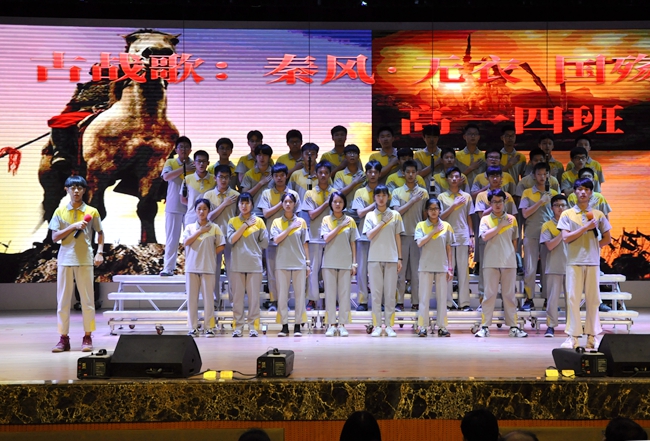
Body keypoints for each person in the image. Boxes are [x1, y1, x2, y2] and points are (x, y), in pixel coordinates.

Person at [50, 175, 104, 352]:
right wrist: (73, 226)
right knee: (63, 301)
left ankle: (87, 336)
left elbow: (100, 233)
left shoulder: (92, 211)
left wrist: (100, 252)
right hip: (65, 259)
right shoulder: (59, 211)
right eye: (72, 188)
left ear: (84, 190)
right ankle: (63, 338)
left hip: (85, 259)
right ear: (66, 190)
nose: (76, 191)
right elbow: (55, 237)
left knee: (87, 300)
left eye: (79, 188)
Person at [558, 178, 611, 349]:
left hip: (593, 262)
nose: (583, 192)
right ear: (574, 192)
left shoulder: (598, 214)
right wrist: (585, 228)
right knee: (573, 298)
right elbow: (566, 238)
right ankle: (572, 337)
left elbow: (607, 239)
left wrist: (593, 247)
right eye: (580, 189)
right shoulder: (567, 214)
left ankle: (592, 336)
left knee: (593, 299)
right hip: (574, 261)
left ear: (591, 193)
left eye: (586, 189)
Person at [476, 189, 527, 338]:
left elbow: (515, 240)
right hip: (490, 261)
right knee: (489, 295)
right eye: (494, 202)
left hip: (509, 262)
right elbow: (484, 237)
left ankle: (513, 327)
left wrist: (512, 255)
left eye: (500, 201)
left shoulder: (512, 219)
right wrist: (500, 226)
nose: (497, 204)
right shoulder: (485, 219)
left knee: (509, 295)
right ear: (490, 203)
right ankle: (485, 326)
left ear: (504, 202)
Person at [257, 163, 302, 311]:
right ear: (272, 177)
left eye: (282, 175)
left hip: (290, 239)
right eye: (276, 175)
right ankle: (274, 300)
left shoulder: (294, 194)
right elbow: (266, 214)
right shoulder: (266, 193)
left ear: (286, 176)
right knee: (272, 272)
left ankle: (285, 301)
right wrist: (282, 203)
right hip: (272, 238)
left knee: (287, 272)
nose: (279, 178)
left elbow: (297, 215)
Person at [364, 184, 404, 337]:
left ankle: (389, 325)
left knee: (390, 294)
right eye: (378, 195)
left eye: (384, 195)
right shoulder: (370, 215)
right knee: (376, 294)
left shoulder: (395, 215)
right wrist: (382, 222)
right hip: (374, 258)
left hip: (391, 258)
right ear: (374, 197)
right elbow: (369, 235)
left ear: (388, 197)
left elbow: (397, 237)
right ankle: (376, 326)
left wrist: (399, 258)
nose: (381, 198)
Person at [227, 192, 269, 337]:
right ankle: (238, 327)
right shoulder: (232, 221)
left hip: (254, 264)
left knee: (254, 299)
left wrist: (254, 250)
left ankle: (253, 327)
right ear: (238, 205)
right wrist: (245, 225)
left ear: (252, 205)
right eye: (242, 203)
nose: (244, 206)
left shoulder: (259, 221)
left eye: (247, 203)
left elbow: (265, 242)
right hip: (237, 265)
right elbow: (231, 240)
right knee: (237, 298)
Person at [519, 162, 559, 311]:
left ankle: (548, 299)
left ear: (548, 175)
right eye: (539, 174)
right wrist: (541, 202)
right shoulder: (527, 192)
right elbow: (525, 213)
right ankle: (529, 299)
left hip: (549, 235)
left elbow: (560, 213)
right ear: (534, 176)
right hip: (531, 233)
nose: (542, 177)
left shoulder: (553, 193)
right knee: (530, 268)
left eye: (545, 174)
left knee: (547, 268)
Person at [183, 198, 225, 337]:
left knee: (209, 300)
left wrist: (210, 254)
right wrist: (200, 231)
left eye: (204, 209)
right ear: (195, 211)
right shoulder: (189, 227)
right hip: (192, 268)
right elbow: (186, 242)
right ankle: (193, 327)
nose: (202, 212)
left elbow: (221, 245)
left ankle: (209, 327)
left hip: (208, 267)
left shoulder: (215, 227)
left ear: (209, 210)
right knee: (192, 299)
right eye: (199, 209)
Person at [270, 192, 310, 337]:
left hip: (299, 262)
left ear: (294, 204)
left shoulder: (301, 222)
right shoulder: (276, 222)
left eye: (290, 202)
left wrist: (308, 263)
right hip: (282, 263)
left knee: (300, 296)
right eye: (285, 202)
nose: (288, 204)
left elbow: (305, 243)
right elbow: (276, 240)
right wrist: (290, 228)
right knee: (282, 296)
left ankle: (298, 325)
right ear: (282, 204)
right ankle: (284, 326)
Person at [390, 159, 427, 311]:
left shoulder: (423, 193)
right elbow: (397, 212)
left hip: (418, 237)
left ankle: (416, 302)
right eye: (408, 172)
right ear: (403, 173)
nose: (411, 175)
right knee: (400, 271)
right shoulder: (397, 192)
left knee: (417, 272)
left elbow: (426, 215)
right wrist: (412, 201)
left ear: (417, 173)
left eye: (413, 172)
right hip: (402, 236)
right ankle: (399, 302)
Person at [321, 191, 359, 337]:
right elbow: (326, 238)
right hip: (329, 262)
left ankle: (342, 324)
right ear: (331, 204)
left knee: (344, 294)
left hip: (345, 262)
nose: (338, 204)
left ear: (344, 204)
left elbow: (353, 243)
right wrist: (340, 226)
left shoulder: (350, 220)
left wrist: (354, 263)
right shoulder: (326, 220)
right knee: (330, 295)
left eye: (340, 202)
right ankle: (331, 325)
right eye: (335, 201)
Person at [414, 198, 454, 337]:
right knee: (423, 298)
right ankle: (423, 326)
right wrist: (433, 231)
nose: (433, 211)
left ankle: (442, 327)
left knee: (442, 298)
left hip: (442, 266)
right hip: (425, 266)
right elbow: (419, 243)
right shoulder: (420, 225)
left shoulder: (447, 226)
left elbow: (449, 248)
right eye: (431, 209)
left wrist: (450, 268)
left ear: (440, 210)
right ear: (426, 211)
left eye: (436, 208)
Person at [438, 166, 475, 311]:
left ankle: (464, 303)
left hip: (462, 236)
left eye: (456, 176)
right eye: (451, 176)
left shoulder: (467, 196)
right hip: (447, 237)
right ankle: (447, 303)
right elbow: (440, 217)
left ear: (461, 179)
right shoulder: (442, 197)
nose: (454, 179)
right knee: (448, 271)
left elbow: (469, 217)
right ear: (447, 179)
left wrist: (471, 236)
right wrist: (453, 206)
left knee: (463, 271)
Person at [301, 160, 336, 311]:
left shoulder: (335, 193)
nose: (323, 175)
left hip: (332, 237)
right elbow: (312, 215)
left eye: (326, 173)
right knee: (313, 270)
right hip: (315, 236)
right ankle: (312, 299)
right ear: (316, 174)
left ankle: (332, 300)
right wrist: (327, 203)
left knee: (331, 269)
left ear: (330, 175)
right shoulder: (309, 193)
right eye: (320, 172)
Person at [204, 164, 240, 307]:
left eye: (226, 177)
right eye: (221, 177)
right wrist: (224, 204)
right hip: (214, 238)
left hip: (231, 237)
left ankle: (234, 302)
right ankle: (214, 301)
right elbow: (208, 217)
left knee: (233, 271)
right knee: (214, 271)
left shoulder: (236, 195)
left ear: (230, 178)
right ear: (215, 178)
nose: (223, 180)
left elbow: (239, 217)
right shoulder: (208, 195)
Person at [350, 160, 382, 311]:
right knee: (362, 270)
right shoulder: (360, 192)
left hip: (381, 237)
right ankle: (363, 300)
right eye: (370, 172)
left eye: (375, 172)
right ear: (366, 173)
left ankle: (379, 300)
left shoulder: (384, 191)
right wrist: (376, 203)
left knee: (378, 270)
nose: (373, 174)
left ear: (379, 174)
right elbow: (360, 213)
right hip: (363, 236)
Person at [160, 136, 194, 276]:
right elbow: (166, 177)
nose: (184, 150)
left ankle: (191, 268)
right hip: (173, 206)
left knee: (191, 239)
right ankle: (168, 268)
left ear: (190, 150)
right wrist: (184, 168)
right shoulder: (171, 162)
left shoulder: (195, 164)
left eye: (186, 147)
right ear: (176, 149)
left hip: (191, 208)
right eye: (181, 147)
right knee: (172, 239)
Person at [540, 194, 569, 338]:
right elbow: (550, 246)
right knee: (552, 299)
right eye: (557, 205)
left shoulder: (573, 224)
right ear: (552, 208)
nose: (560, 208)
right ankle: (551, 326)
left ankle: (572, 327)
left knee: (572, 299)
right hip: (553, 266)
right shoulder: (547, 225)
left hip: (571, 267)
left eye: (563, 205)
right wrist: (562, 233)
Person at [181, 150, 216, 226]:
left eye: (204, 161)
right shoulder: (187, 179)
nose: (201, 164)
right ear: (194, 163)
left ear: (208, 163)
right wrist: (196, 207)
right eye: (199, 161)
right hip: (191, 219)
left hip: (210, 219)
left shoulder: (214, 179)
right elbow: (183, 199)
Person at [414, 124, 443, 194]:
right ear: (424, 138)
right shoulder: (418, 154)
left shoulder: (443, 154)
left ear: (438, 138)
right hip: (423, 190)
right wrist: (436, 163)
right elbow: (418, 174)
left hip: (441, 190)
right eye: (428, 137)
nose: (431, 140)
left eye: (434, 137)